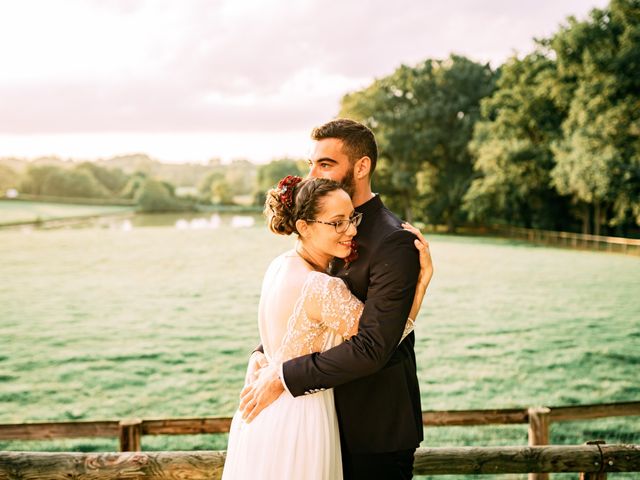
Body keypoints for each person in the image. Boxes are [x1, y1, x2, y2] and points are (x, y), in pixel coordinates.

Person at [239, 119, 433, 479]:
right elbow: (304, 310)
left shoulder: (394, 241)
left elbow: (374, 345)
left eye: (325, 164)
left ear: (362, 167)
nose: (312, 173)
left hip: (371, 429)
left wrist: (283, 375)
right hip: (314, 422)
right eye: (311, 162)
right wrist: (264, 354)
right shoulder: (321, 230)